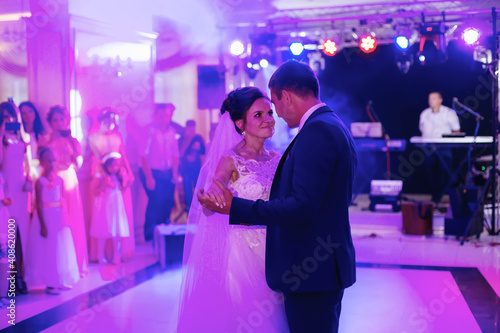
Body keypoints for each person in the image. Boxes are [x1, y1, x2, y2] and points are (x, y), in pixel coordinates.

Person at [199, 61, 358, 333]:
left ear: (286, 96)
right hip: (288, 260)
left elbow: (302, 206)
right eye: (259, 114)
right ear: (240, 123)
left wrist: (235, 207)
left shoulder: (315, 132)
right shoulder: (331, 125)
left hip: (309, 266)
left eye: (273, 107)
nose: (275, 117)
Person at [177, 87, 288, 332]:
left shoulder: (278, 159)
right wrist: (209, 202)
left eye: (270, 113)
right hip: (241, 253)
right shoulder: (230, 160)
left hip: (274, 250)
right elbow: (210, 208)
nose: (268, 119)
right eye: (258, 115)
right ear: (240, 123)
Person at [39, 105, 89, 277]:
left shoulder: (73, 140)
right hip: (52, 181)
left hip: (68, 179)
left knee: (72, 219)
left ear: (66, 120)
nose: (59, 123)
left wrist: (72, 145)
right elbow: (40, 161)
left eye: (62, 119)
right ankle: (56, 265)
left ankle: (75, 264)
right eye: (55, 120)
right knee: (55, 222)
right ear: (50, 122)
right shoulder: (45, 140)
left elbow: (79, 163)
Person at [25, 147, 79, 294]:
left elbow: (62, 199)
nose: (51, 163)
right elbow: (39, 204)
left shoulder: (60, 179)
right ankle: (50, 282)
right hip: (46, 216)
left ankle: (60, 279)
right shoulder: (40, 182)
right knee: (48, 249)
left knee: (60, 248)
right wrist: (42, 224)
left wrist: (65, 216)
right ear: (42, 162)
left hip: (58, 216)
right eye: (47, 160)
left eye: (53, 160)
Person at [87, 108, 135, 260]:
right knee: (102, 217)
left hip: (117, 177)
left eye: (113, 122)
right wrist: (100, 172)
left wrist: (127, 171)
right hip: (101, 177)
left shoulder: (117, 136)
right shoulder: (93, 137)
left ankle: (118, 253)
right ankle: (101, 254)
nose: (110, 125)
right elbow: (91, 157)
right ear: (101, 122)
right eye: (107, 122)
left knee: (118, 218)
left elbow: (123, 156)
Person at [0, 101, 31, 294]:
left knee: (23, 234)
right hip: (8, 190)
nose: (9, 119)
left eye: (11, 116)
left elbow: (29, 163)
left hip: (23, 189)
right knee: (9, 234)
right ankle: (10, 278)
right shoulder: (2, 138)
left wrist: (30, 178)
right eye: (5, 116)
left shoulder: (23, 137)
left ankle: (21, 275)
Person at [139, 103, 179, 241]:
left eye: (166, 115)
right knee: (155, 201)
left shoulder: (171, 132)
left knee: (167, 202)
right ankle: (149, 235)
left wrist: (174, 173)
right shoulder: (149, 131)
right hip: (151, 172)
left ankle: (164, 233)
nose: (164, 118)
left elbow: (175, 155)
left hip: (167, 172)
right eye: (161, 115)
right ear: (156, 116)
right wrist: (149, 178)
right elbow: (143, 156)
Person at [419, 91, 461, 203]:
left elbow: (456, 130)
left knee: (446, 171)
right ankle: (436, 196)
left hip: (444, 146)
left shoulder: (448, 112)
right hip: (429, 147)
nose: (430, 101)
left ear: (440, 100)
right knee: (430, 172)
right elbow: (421, 129)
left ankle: (454, 197)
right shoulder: (425, 114)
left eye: (433, 98)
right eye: (429, 98)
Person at [90, 153, 130, 265]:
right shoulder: (101, 176)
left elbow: (123, 189)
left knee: (117, 231)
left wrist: (126, 179)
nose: (114, 168)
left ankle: (117, 255)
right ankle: (100, 255)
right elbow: (95, 191)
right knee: (102, 230)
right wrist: (105, 185)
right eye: (111, 166)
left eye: (116, 165)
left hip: (117, 206)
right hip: (105, 207)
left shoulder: (118, 177)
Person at [178, 120, 205, 212]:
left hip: (197, 169)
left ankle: (199, 210)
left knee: (199, 189)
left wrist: (204, 169)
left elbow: (203, 154)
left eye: (193, 127)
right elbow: (179, 155)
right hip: (186, 170)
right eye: (189, 127)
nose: (192, 129)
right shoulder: (182, 139)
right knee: (187, 191)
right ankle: (188, 210)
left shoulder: (198, 138)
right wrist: (187, 140)